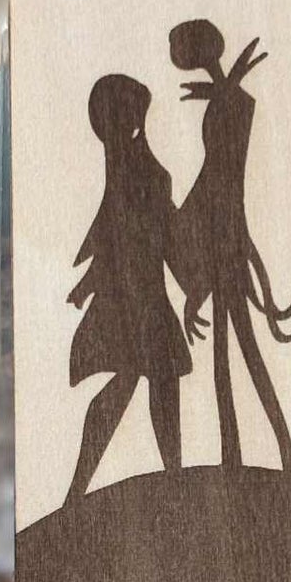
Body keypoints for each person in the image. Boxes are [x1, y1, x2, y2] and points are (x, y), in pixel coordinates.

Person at [169, 18, 291, 473]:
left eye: (179, 47)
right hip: (222, 230)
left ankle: (272, 458)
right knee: (234, 354)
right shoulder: (230, 98)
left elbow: (218, 179)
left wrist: (196, 277)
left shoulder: (231, 101)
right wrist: (222, 88)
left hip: (223, 234)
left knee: (239, 354)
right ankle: (257, 458)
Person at [65, 73, 195, 503]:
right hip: (133, 298)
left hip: (142, 296)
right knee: (145, 385)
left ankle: (168, 475)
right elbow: (120, 234)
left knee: (148, 385)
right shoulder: (125, 164)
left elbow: (155, 234)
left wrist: (190, 282)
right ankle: (166, 476)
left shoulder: (137, 167)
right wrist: (89, 283)